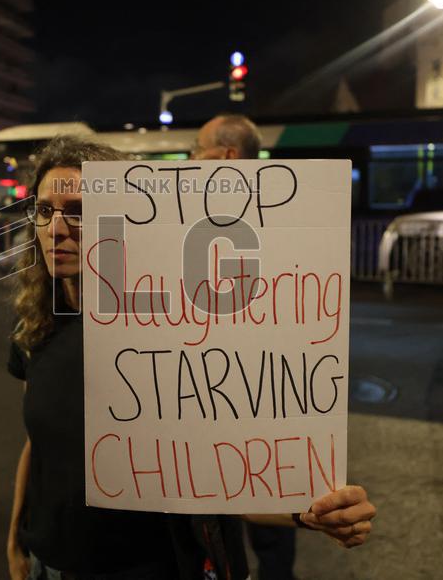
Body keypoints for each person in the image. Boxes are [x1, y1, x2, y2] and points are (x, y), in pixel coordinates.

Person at [6, 136, 376, 580]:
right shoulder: (35, 327)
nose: (56, 229)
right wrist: (15, 540)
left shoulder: (170, 329)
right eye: (45, 210)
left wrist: (311, 512)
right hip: (49, 567)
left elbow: (218, 473)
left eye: (79, 211)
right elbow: (38, 443)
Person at [191, 113, 297, 579]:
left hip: (251, 386)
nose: (191, 161)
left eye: (198, 151)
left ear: (228, 156)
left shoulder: (257, 215)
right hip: (233, 385)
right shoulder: (284, 211)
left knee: (261, 502)